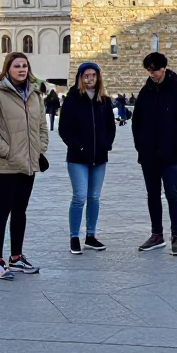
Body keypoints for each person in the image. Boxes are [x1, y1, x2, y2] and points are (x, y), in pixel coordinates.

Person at [0, 52, 48, 279]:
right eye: (17, 66)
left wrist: (39, 149)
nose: (21, 69)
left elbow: (41, 126)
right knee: (2, 210)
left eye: (25, 65)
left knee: (20, 211)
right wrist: (7, 151)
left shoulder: (35, 94)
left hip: (28, 163)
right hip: (4, 165)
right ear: (7, 69)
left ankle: (16, 257)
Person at [132, 52, 177, 256]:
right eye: (148, 71)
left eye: (154, 70)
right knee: (152, 195)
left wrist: (174, 144)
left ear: (164, 68)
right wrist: (140, 146)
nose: (152, 74)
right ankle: (156, 234)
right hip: (148, 155)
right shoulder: (145, 92)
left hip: (170, 155)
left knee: (172, 194)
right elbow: (136, 122)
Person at [58, 61, 115, 253]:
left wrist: (106, 144)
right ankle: (74, 237)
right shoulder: (73, 99)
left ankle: (91, 235)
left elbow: (110, 126)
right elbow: (64, 128)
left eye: (93, 75)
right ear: (80, 78)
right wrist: (78, 146)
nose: (90, 79)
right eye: (86, 76)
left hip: (99, 157)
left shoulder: (104, 100)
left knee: (94, 197)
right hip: (78, 157)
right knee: (79, 196)